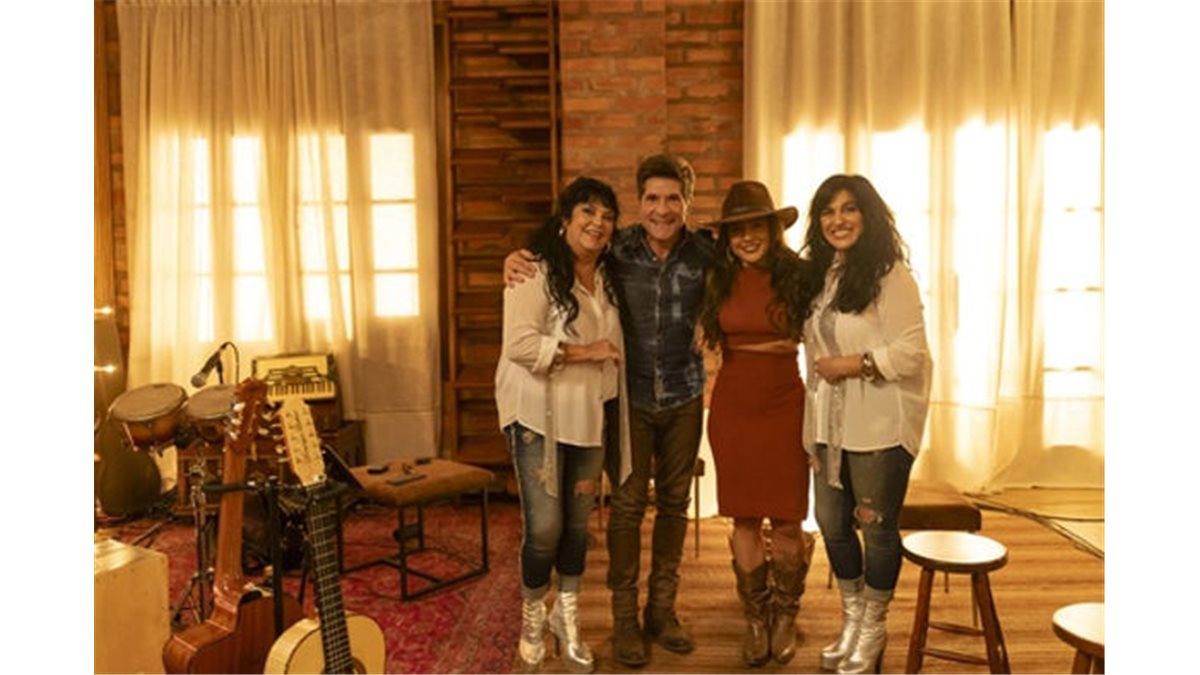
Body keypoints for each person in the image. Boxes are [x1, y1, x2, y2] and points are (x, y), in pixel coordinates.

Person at [505, 154, 713, 667]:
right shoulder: (616, 249)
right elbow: (559, 253)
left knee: (674, 504)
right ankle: (624, 621)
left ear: (687, 204)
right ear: (640, 203)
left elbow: (758, 270)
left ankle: (661, 611)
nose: (662, 209)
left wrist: (714, 324)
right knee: (626, 506)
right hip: (628, 399)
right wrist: (513, 258)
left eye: (673, 199)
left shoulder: (708, 252)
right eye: (652, 198)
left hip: (685, 394)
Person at [495, 176, 633, 674]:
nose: (598, 223)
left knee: (577, 527)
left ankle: (566, 619)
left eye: (607, 215)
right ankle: (533, 620)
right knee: (545, 527)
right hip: (537, 415)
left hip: (588, 414)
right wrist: (585, 351)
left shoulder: (611, 276)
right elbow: (519, 345)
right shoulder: (533, 270)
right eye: (587, 212)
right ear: (565, 220)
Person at [800, 174, 932, 674]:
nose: (838, 220)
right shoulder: (822, 276)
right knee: (832, 524)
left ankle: (874, 626)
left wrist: (852, 364)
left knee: (877, 529)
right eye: (828, 211)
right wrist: (808, 430)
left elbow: (912, 353)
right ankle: (852, 619)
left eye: (849, 209)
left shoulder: (890, 274)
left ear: (868, 215)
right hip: (829, 426)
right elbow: (812, 359)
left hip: (878, 422)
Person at [697, 181, 818, 666]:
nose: (747, 237)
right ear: (726, 238)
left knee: (788, 517)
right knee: (744, 516)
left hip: (786, 404)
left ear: (771, 228)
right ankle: (755, 617)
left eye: (755, 227)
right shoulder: (716, 277)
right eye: (736, 230)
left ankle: (785, 615)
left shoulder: (800, 275)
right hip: (734, 407)